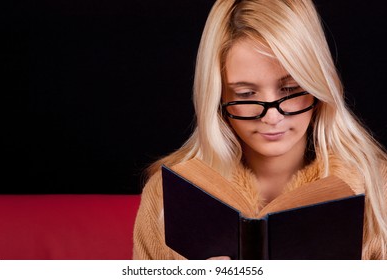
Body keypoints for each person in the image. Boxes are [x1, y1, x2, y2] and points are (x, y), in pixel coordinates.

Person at [133, 0, 387, 260]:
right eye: (246, 94)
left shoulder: (380, 186)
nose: (273, 116)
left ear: (317, 86)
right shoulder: (166, 195)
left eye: (289, 90)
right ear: (217, 96)